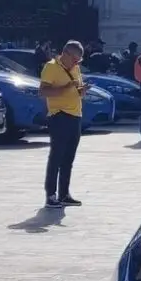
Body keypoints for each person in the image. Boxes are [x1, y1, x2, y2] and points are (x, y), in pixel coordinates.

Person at [39, 40, 88, 208]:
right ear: (65, 54)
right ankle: (51, 196)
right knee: (56, 157)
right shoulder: (51, 67)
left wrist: (82, 91)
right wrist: (65, 88)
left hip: (76, 115)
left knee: (68, 158)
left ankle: (64, 194)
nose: (76, 63)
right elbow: (43, 91)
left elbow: (77, 91)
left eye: (79, 61)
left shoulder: (76, 68)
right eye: (74, 59)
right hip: (59, 115)